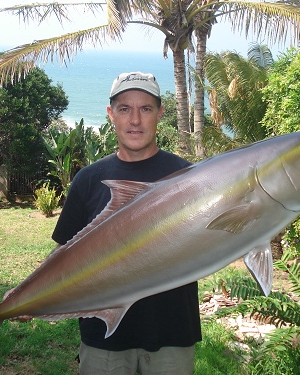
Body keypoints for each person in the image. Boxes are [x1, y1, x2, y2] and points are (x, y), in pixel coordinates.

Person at [52, 72, 202, 375]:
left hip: (172, 334)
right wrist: (28, 296)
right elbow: (63, 256)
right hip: (103, 337)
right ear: (111, 115)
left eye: (145, 109)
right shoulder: (88, 180)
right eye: (124, 109)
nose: (135, 120)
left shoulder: (189, 178)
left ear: (160, 114)